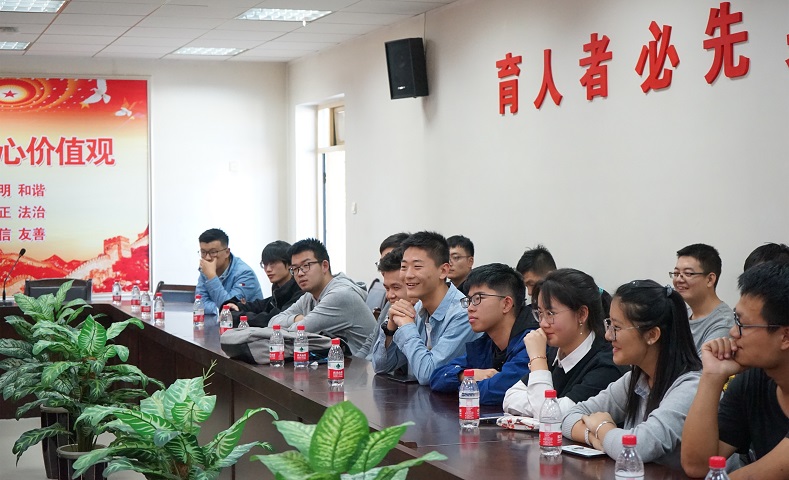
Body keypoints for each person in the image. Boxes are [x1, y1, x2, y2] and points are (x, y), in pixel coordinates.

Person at [562, 280, 701, 468]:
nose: (608, 335)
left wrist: (602, 427)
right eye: (609, 324)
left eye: (617, 328)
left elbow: (639, 447)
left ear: (652, 335)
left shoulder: (691, 387)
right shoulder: (637, 378)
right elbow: (569, 416)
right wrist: (594, 437)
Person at [681, 261, 789, 479]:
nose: (732, 332)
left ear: (785, 336)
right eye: (735, 319)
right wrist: (712, 376)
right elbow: (697, 466)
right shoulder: (752, 381)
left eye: (743, 324)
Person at [503, 269, 625, 417]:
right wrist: (544, 407)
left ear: (581, 314)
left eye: (550, 314)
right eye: (540, 313)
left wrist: (538, 360)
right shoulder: (555, 352)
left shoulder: (606, 365)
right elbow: (510, 397)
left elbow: (550, 417)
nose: (543, 323)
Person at [371, 231, 479, 384]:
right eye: (404, 267)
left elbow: (428, 375)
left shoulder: (462, 314)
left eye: (417, 266)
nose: (408, 275)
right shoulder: (418, 307)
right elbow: (381, 367)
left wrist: (407, 326)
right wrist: (390, 330)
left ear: (443, 271)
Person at [430, 263, 533, 405]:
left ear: (506, 304)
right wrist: (465, 375)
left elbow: (493, 391)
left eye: (478, 299)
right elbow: (437, 377)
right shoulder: (487, 342)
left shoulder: (531, 341)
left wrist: (467, 384)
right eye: (469, 300)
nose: (470, 308)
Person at [268, 238, 376, 356]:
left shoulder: (340, 295)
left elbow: (295, 334)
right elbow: (273, 323)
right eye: (295, 269)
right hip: (339, 361)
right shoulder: (309, 296)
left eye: (306, 265)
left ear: (324, 266)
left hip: (362, 365)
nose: (300, 273)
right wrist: (297, 318)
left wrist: (298, 323)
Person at [671, 243, 734, 355]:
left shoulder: (723, 323)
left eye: (688, 273)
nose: (679, 280)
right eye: (676, 273)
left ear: (710, 279)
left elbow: (703, 366)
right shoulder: (683, 313)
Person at [223, 240, 304, 327]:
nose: (268, 269)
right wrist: (233, 305)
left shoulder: (300, 291)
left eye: (273, 263)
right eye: (265, 264)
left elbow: (272, 319)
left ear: (289, 264)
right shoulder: (278, 291)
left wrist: (237, 316)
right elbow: (259, 306)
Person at [357, 247, 416, 359]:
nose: (389, 295)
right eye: (387, 288)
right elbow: (372, 343)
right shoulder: (391, 305)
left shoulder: (418, 313)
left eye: (396, 287)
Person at [195, 228, 263, 315]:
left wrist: (212, 277)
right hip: (218, 321)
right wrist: (219, 309)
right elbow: (200, 304)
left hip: (247, 323)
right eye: (203, 252)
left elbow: (230, 309)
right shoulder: (206, 270)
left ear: (227, 252)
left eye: (213, 252)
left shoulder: (246, 274)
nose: (207, 258)